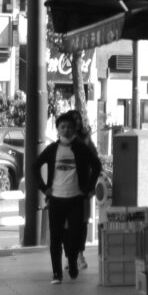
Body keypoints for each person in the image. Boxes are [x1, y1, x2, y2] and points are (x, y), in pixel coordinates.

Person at [38, 108, 102, 282]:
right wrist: (44, 188)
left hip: (76, 199)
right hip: (56, 199)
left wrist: (88, 188)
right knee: (56, 237)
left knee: (74, 234)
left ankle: (73, 261)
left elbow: (96, 165)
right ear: (58, 129)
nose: (66, 130)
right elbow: (35, 166)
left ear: (75, 129)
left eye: (69, 127)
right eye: (63, 127)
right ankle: (57, 273)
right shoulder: (52, 149)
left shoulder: (82, 147)